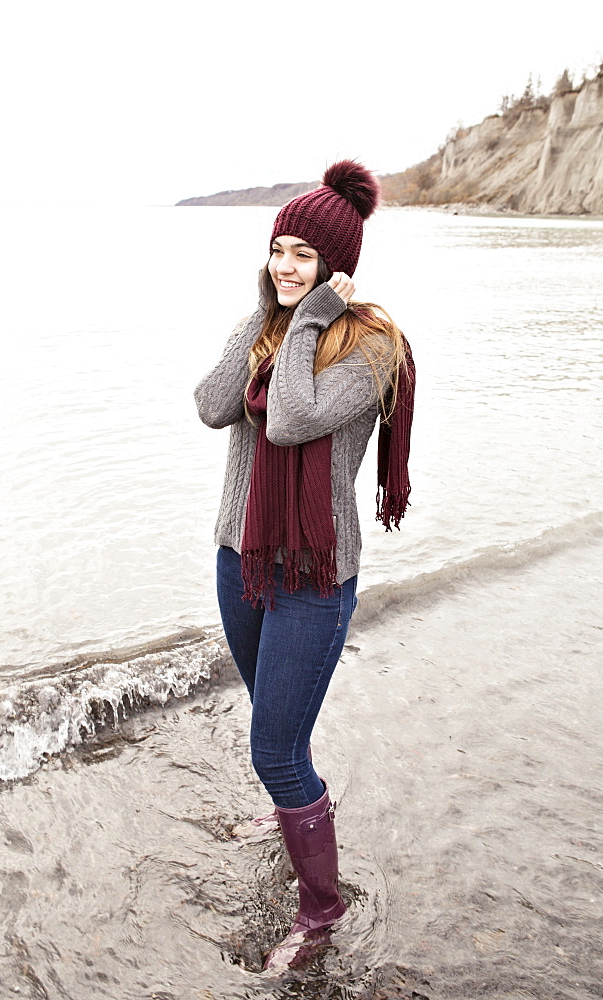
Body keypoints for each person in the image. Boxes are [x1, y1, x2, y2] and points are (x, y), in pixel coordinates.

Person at [194, 160, 415, 970]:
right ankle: (298, 807)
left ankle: (320, 910)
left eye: (302, 256)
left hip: (315, 575)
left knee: (274, 750)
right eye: (277, 250)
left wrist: (312, 321)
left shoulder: (373, 346)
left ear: (336, 268)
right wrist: (265, 319)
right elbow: (215, 406)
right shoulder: (265, 325)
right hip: (242, 558)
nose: (284, 266)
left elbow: (290, 421)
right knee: (273, 725)